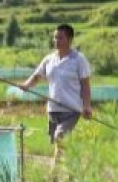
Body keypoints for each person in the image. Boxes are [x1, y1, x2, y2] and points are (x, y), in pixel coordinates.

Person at [20, 24, 92, 163]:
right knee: (58, 143)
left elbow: (85, 84)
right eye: (55, 38)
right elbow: (37, 76)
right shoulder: (49, 59)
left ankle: (54, 174)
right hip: (53, 109)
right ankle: (73, 168)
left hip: (71, 109)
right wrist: (26, 85)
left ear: (70, 39)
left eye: (60, 38)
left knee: (60, 136)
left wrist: (87, 106)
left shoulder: (78, 59)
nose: (56, 41)